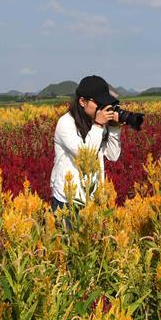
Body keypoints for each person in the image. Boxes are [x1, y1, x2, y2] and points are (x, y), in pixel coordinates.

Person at [50, 75, 122, 215]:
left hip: (93, 199)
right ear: (82, 101)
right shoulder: (66, 123)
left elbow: (113, 155)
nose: (104, 109)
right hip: (68, 200)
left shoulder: (97, 122)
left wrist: (114, 128)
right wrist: (98, 125)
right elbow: (86, 155)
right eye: (99, 104)